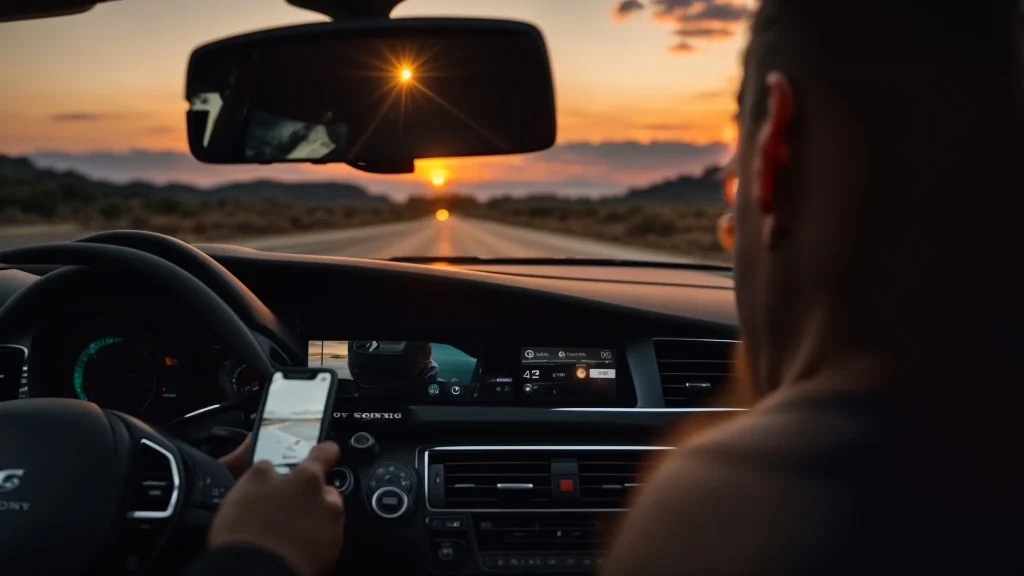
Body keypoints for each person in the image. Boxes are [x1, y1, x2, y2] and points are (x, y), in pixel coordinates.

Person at [188, 1, 1020, 574]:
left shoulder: (738, 515)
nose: (728, 229)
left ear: (776, 158)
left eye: (732, 182)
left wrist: (257, 556)